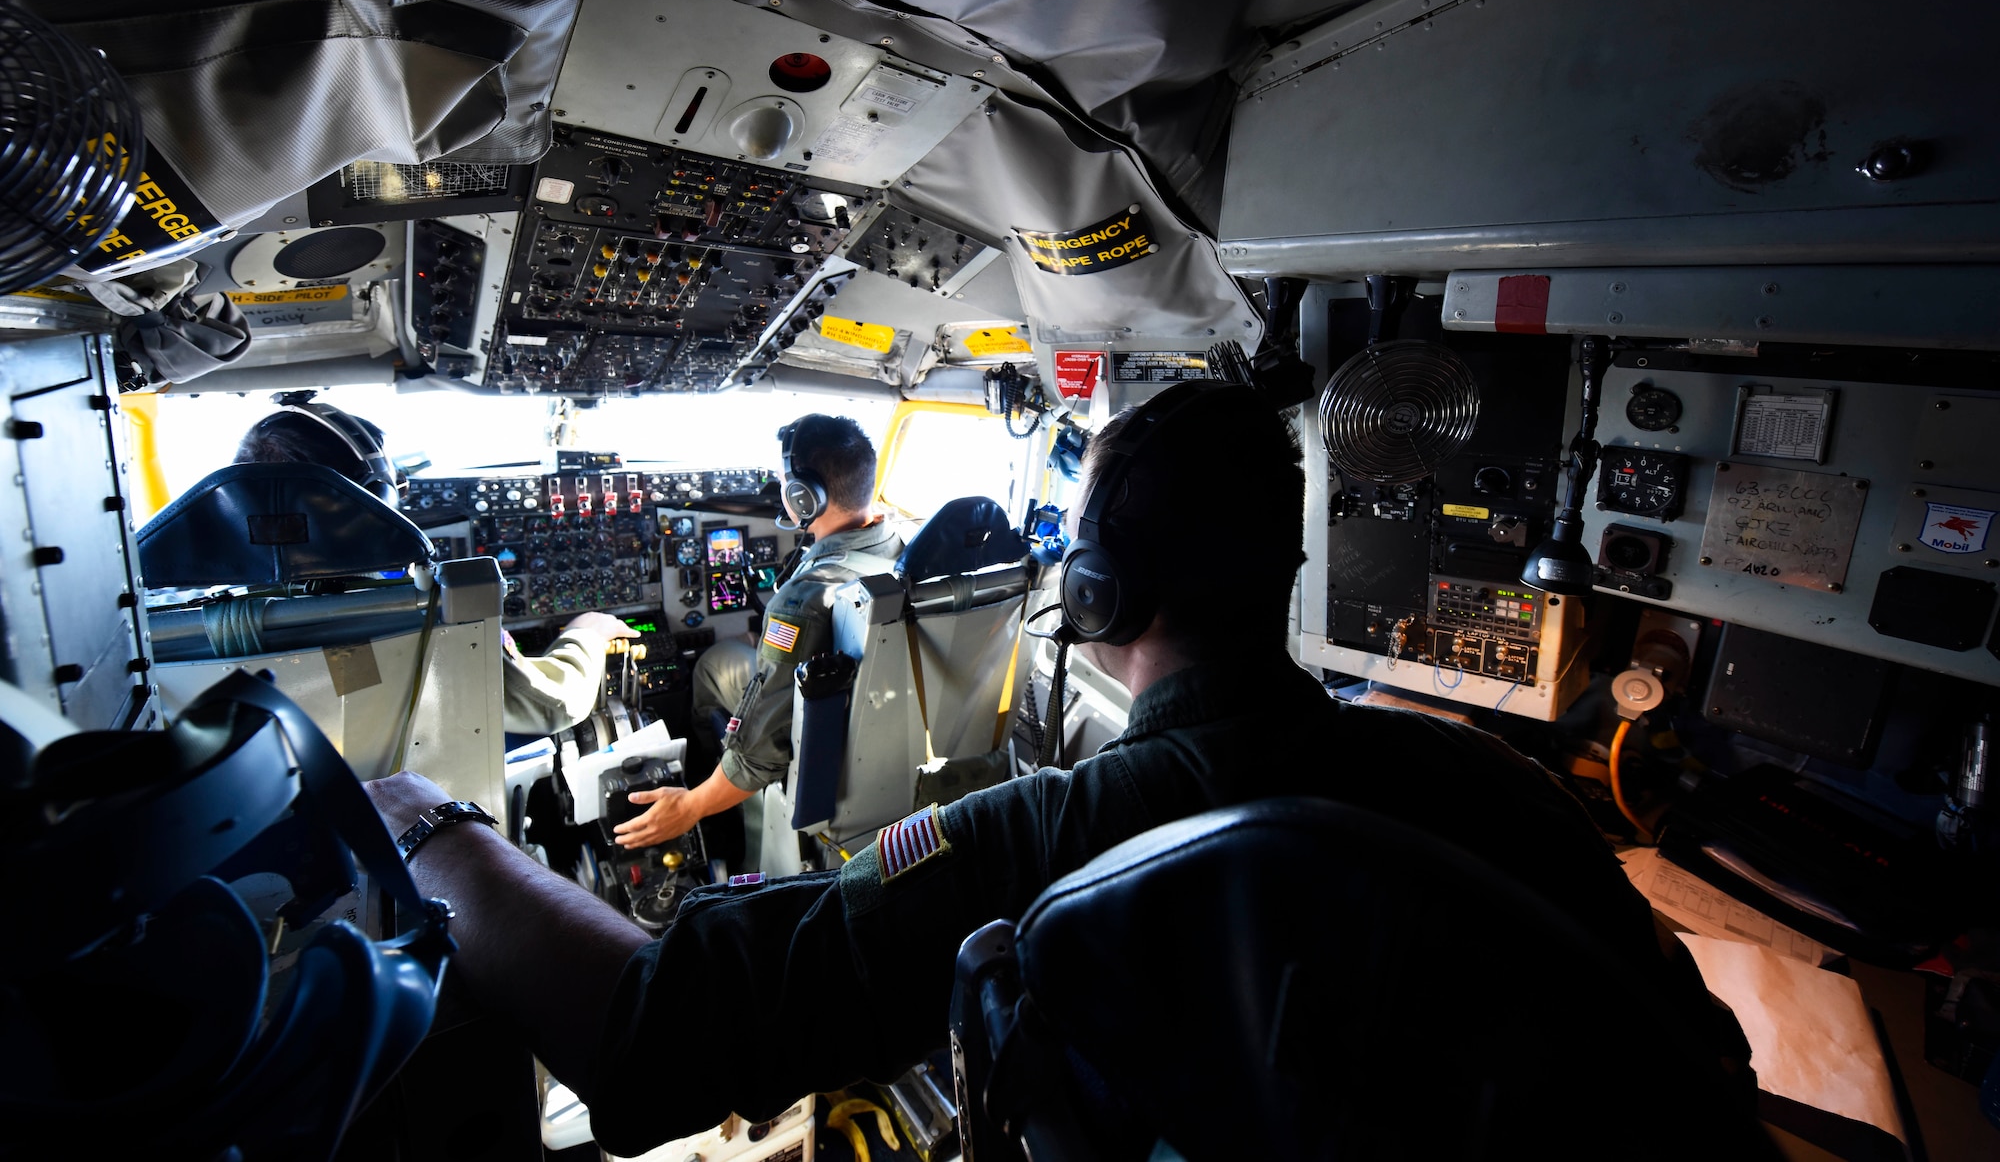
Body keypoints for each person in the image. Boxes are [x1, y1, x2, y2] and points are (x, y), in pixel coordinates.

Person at [363, 383, 1746, 1154]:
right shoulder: (1500, 785)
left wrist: (426, 821)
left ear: (1094, 593)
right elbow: (1703, 1056)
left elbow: (654, 1029)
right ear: (1284, 574)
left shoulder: (1034, 838)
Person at [234, 401, 636, 733]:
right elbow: (551, 706)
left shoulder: (196, 621)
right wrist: (587, 633)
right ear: (374, 501)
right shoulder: (415, 618)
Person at [611, 414, 905, 850]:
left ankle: (712, 786)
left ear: (804, 497)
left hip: (821, 741)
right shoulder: (902, 544)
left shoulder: (801, 602)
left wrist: (689, 806)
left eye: (785, 483)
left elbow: (762, 753)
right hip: (886, 723)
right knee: (739, 654)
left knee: (712, 664)